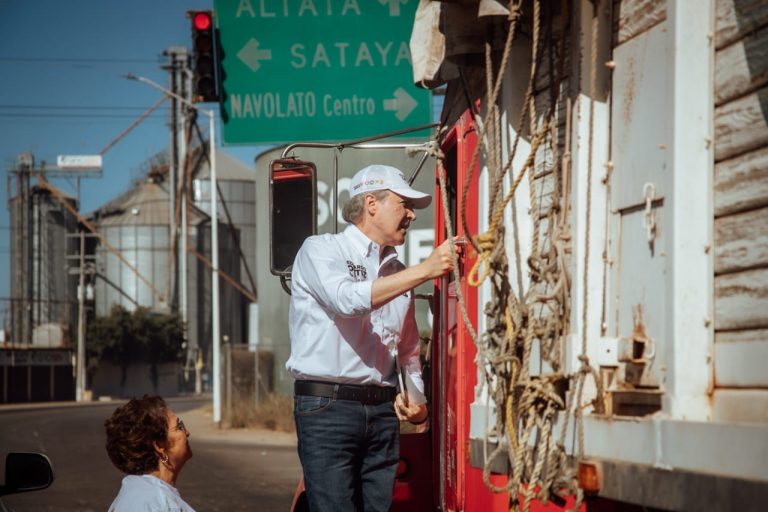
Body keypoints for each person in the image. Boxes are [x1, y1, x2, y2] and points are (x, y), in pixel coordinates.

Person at [286, 163, 458, 511]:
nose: (411, 214)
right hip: (328, 409)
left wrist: (417, 402)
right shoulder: (321, 249)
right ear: (371, 204)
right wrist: (425, 270)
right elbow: (346, 300)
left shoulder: (399, 273)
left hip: (382, 412)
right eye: (404, 204)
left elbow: (408, 350)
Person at [104, 395, 195, 512]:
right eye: (179, 427)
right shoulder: (155, 503)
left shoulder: (140, 493)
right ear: (160, 446)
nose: (187, 432)